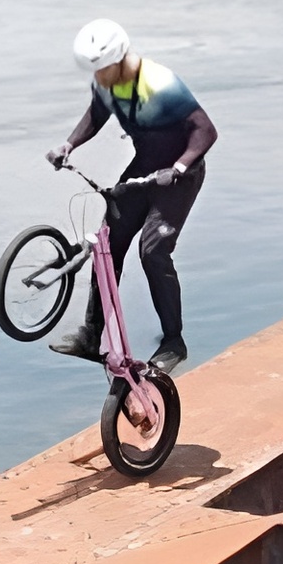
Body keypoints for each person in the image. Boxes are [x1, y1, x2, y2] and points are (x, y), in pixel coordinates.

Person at [45, 19, 218, 372]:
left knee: (153, 251)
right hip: (145, 167)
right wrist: (69, 144)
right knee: (107, 244)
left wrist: (179, 168)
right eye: (95, 71)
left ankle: (174, 343)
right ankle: (91, 336)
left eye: (104, 69)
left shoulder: (160, 83)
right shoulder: (105, 83)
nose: (99, 77)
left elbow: (205, 131)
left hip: (180, 175)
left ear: (121, 58)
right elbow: (97, 114)